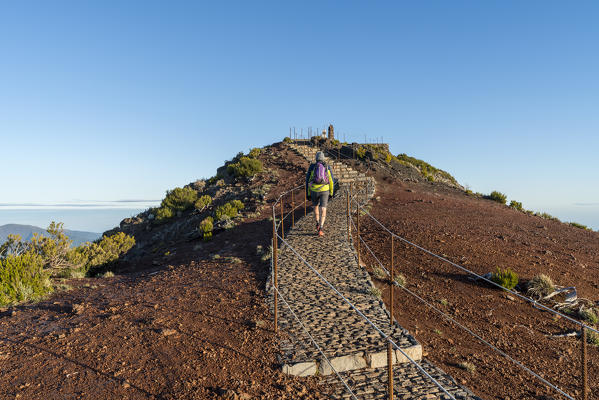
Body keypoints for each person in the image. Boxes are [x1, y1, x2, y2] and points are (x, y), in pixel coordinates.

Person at [306, 151, 334, 236]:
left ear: (316, 158)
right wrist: (331, 193)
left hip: (314, 190)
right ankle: (321, 228)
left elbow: (307, 181)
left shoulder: (312, 166)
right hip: (325, 190)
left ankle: (317, 223)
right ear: (323, 158)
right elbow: (331, 181)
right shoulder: (327, 167)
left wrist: (308, 193)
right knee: (323, 208)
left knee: (315, 206)